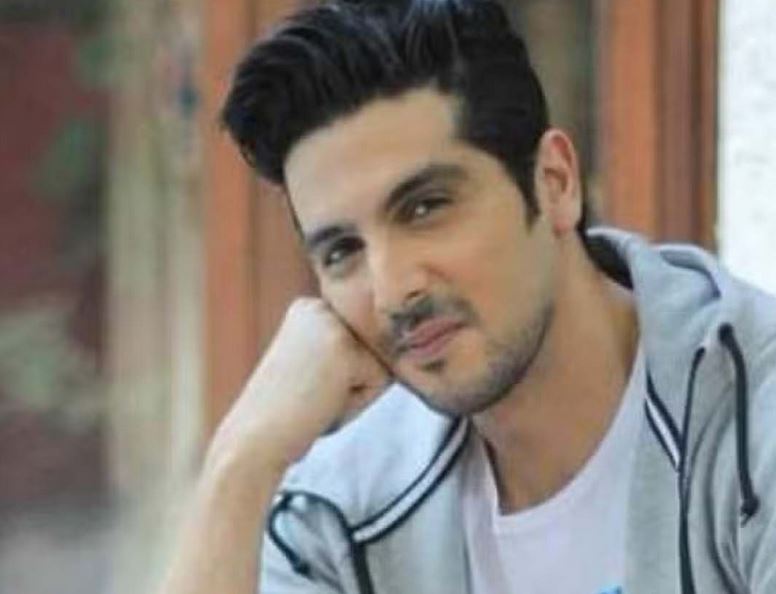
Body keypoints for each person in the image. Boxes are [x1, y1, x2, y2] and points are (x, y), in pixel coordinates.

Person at [159, 0, 776, 593]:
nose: (393, 290)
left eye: (425, 208)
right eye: (343, 250)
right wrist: (240, 462)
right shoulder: (342, 513)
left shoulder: (750, 425)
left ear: (554, 183)